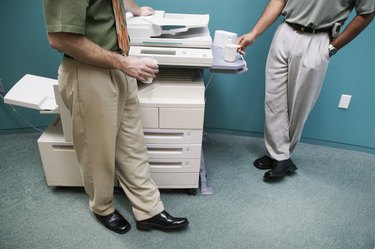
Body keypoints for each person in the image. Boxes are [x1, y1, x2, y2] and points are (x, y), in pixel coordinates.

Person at [41, 0, 189, 234]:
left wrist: (136, 10)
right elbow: (61, 39)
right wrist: (123, 63)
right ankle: (102, 207)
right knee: (97, 152)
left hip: (120, 66)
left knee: (132, 145)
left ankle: (148, 210)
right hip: (89, 71)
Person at [237, 0, 374, 181]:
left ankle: (281, 156)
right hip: (285, 31)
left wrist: (333, 47)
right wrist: (254, 33)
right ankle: (278, 156)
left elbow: (366, 14)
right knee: (274, 98)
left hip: (317, 39)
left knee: (298, 104)